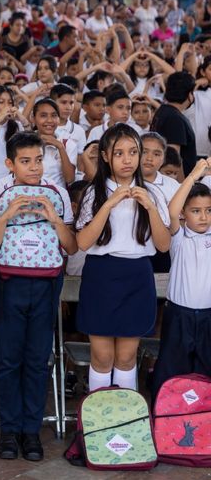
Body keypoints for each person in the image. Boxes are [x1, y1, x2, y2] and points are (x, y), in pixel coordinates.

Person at [0, 132, 77, 461]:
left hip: (46, 283)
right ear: (9, 164)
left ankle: (30, 430)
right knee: (9, 360)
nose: (34, 167)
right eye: (25, 161)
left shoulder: (57, 193)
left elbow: (71, 246)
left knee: (37, 360)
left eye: (39, 160)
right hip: (10, 282)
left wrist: (53, 217)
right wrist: (7, 215)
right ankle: (9, 430)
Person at [75, 124, 171, 392]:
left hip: (137, 275)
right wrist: (108, 204)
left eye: (133, 152)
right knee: (102, 357)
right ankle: (97, 427)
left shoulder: (152, 193)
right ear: (106, 156)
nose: (127, 159)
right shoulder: (94, 193)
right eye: (119, 153)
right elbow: (82, 242)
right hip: (101, 276)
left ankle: (125, 426)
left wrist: (150, 207)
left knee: (127, 357)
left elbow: (163, 245)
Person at [152, 159, 211, 397]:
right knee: (171, 372)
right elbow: (170, 210)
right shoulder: (178, 236)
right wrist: (194, 175)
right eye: (196, 211)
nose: (203, 217)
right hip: (179, 315)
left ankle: (203, 423)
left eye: (208, 210)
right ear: (185, 213)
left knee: (205, 373)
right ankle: (166, 419)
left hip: (208, 316)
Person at [151, 72, 198, 178]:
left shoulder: (163, 111)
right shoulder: (174, 118)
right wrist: (182, 186)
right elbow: (174, 159)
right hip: (177, 182)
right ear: (189, 94)